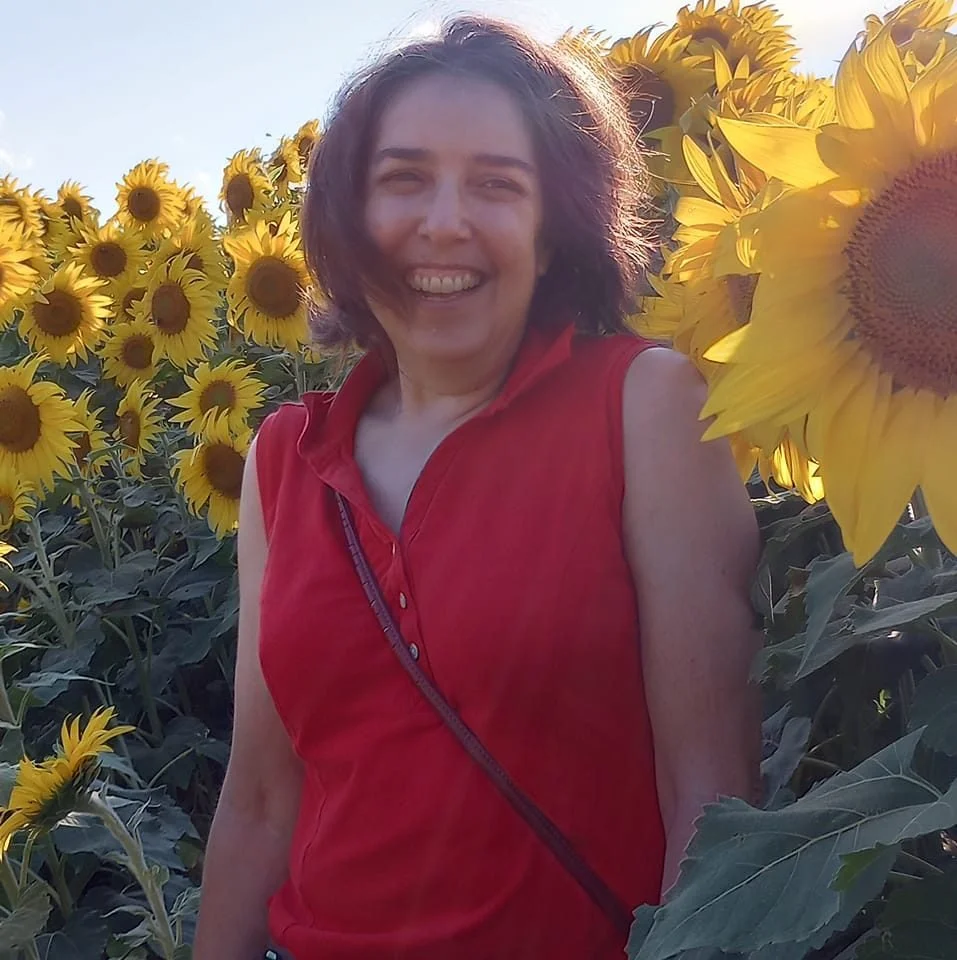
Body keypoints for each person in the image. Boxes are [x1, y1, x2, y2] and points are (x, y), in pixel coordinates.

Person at [194, 16, 762, 960]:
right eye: (403, 178)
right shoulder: (284, 458)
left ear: (551, 234)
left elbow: (709, 787)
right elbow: (259, 795)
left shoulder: (640, 405)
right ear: (347, 219)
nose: (445, 220)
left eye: (497, 184)